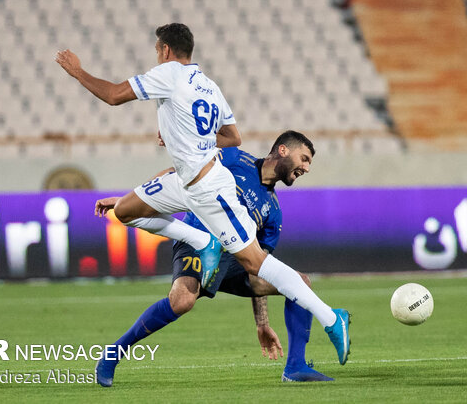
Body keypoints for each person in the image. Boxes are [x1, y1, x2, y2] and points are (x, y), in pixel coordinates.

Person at [56, 23, 350, 377]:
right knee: (125, 211)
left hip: (208, 188)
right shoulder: (209, 85)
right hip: (186, 182)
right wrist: (190, 137)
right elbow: (233, 136)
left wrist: (77, 72)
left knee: (256, 263)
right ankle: (196, 239)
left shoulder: (168, 73)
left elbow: (115, 95)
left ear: (164, 51)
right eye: (303, 160)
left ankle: (332, 319)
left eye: (156, 51)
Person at [93, 131, 334, 386]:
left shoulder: (273, 213)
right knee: (182, 300)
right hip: (197, 241)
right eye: (304, 158)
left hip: (233, 262)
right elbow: (179, 176)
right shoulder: (233, 158)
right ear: (283, 150)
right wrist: (130, 201)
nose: (306, 167)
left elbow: (263, 266)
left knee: (299, 283)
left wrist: (262, 323)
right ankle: (112, 354)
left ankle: (295, 366)